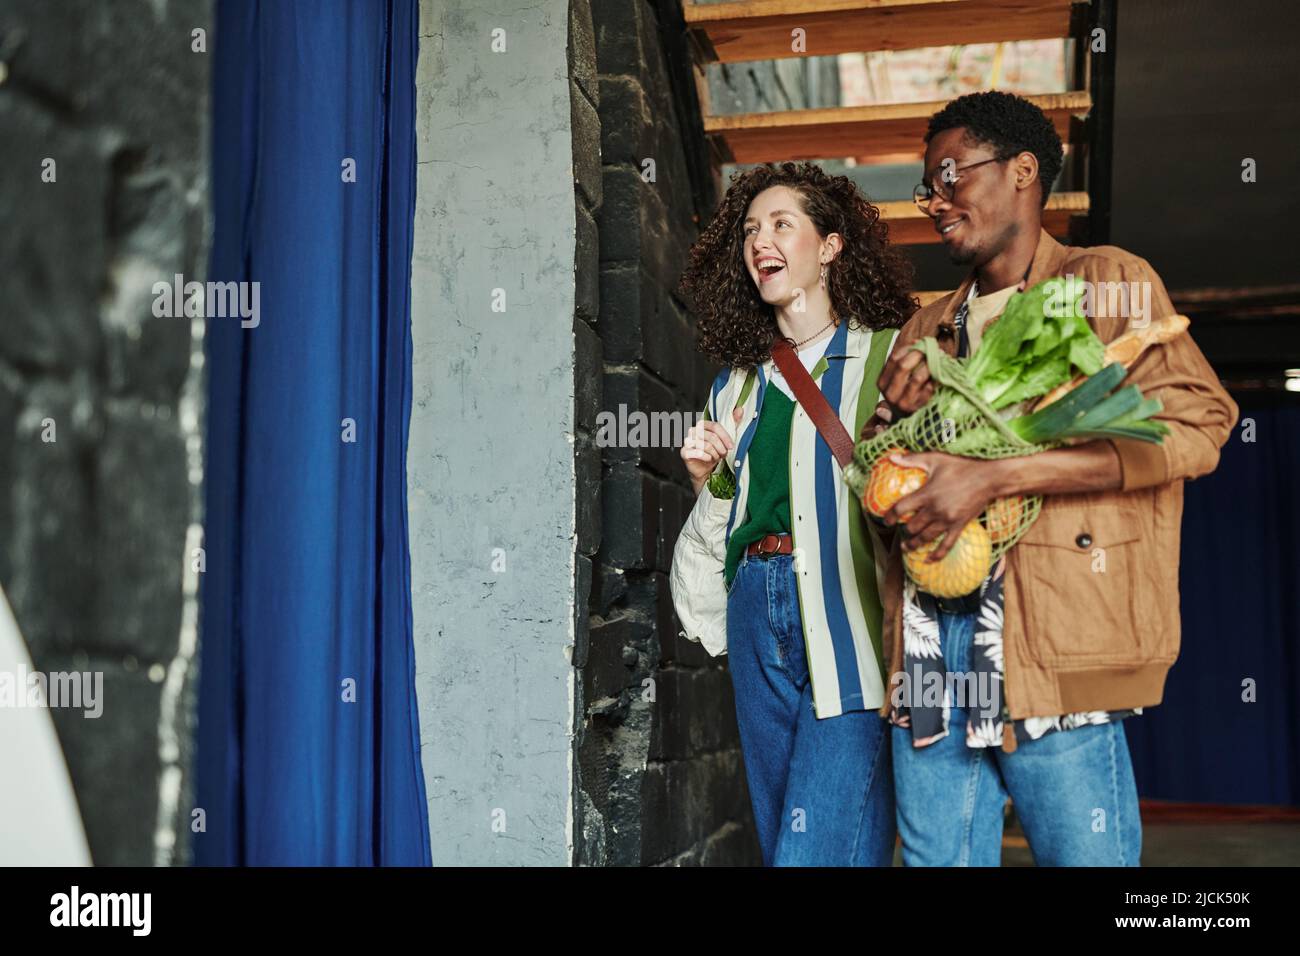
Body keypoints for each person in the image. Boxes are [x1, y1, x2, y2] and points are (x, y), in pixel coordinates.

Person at [868, 91, 1239, 866]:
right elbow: (884, 503)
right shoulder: (923, 327)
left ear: (1023, 170)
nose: (935, 201)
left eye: (949, 176)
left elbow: (1201, 426)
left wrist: (996, 476)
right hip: (934, 651)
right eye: (926, 188)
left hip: (1054, 638)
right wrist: (886, 435)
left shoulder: (1106, 282)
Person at [670, 161, 916, 866]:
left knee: (810, 852)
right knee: (792, 838)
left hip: (849, 609)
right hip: (756, 610)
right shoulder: (735, 385)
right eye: (750, 229)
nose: (759, 241)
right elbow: (727, 532)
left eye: (782, 224)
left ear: (830, 246)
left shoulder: (889, 355)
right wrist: (708, 483)